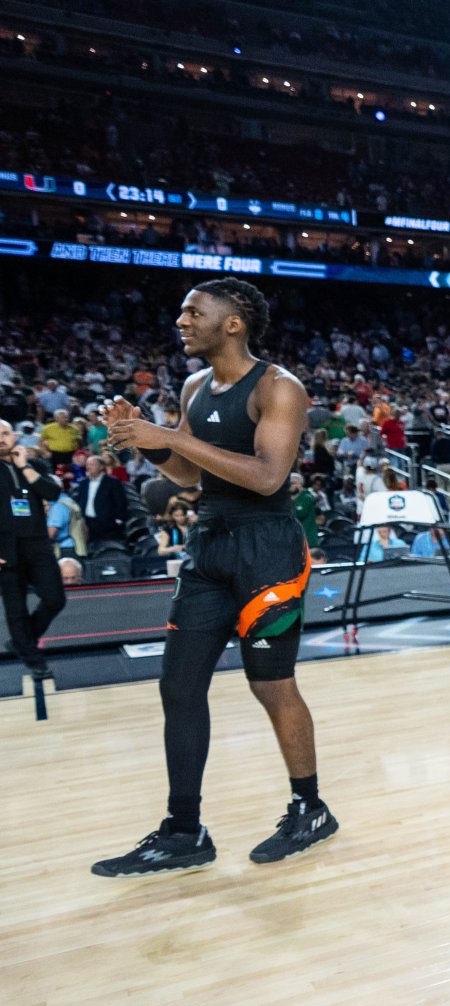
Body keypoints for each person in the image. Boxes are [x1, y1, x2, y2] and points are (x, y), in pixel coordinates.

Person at [97, 278, 338, 875]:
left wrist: (171, 436)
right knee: (177, 687)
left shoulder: (280, 387)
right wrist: (150, 444)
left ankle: (309, 808)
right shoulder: (195, 385)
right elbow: (186, 475)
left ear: (232, 323)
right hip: (209, 548)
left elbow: (265, 477)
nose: (181, 320)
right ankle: (184, 831)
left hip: (269, 554)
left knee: (270, 684)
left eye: (193, 311)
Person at [0, 423, 66, 679]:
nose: (1, 440)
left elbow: (53, 492)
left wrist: (25, 467)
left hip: (37, 543)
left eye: (5, 434)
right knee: (15, 609)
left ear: (15, 436)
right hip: (4, 547)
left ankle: (22, 642)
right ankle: (34, 660)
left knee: (54, 599)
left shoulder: (34, 464)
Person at [77, 453, 131, 549]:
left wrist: (118, 520)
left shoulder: (113, 482)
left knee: (110, 549)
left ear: (101, 466)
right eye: (88, 464)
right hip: (89, 524)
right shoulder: (83, 483)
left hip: (109, 524)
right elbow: (81, 500)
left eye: (92, 464)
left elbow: (121, 502)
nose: (89, 467)